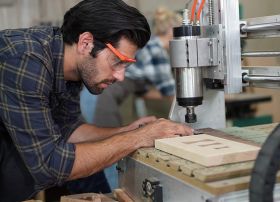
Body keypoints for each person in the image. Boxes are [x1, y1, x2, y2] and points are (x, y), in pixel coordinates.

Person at [0, 0, 193, 201]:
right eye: (117, 62)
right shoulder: (25, 59)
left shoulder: (71, 66)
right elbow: (51, 165)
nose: (120, 77)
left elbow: (69, 129)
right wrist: (140, 137)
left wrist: (127, 131)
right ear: (86, 43)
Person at [80, 7, 181, 128]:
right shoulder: (157, 50)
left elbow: (145, 92)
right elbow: (170, 92)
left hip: (98, 94)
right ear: (171, 30)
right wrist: (180, 120)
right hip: (102, 96)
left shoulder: (149, 44)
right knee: (106, 138)